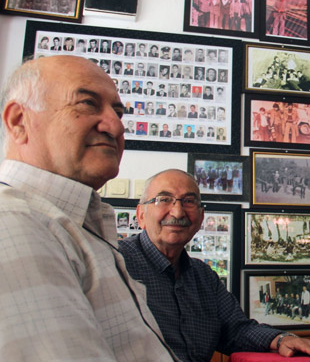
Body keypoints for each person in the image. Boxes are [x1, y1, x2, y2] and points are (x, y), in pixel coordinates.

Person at [0, 55, 178, 361]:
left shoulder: (72, 223)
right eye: (86, 103)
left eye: (119, 112)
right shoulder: (14, 224)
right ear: (19, 121)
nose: (115, 125)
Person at [118, 169, 310, 362]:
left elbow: (236, 330)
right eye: (164, 199)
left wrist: (280, 339)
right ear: (141, 215)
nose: (177, 212)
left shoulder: (203, 276)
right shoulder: (115, 262)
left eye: (189, 201)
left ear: (201, 217)